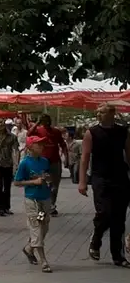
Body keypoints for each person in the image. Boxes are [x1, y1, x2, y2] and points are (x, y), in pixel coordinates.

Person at [78, 104, 130, 266]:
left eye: (102, 112)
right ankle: (96, 238)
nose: (98, 114)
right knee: (104, 211)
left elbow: (129, 154)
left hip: (120, 177)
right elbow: (85, 158)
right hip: (100, 177)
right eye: (98, 112)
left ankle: (118, 255)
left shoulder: (123, 132)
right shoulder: (92, 132)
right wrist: (82, 182)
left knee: (119, 217)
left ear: (112, 113)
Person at [14, 135, 53, 272]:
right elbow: (17, 182)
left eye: (42, 144)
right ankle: (44, 260)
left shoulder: (44, 161)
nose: (41, 147)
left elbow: (48, 175)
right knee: (36, 226)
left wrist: (48, 179)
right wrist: (33, 182)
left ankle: (29, 248)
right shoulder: (25, 163)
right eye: (38, 145)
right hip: (32, 200)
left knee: (43, 226)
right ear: (30, 147)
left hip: (44, 199)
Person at [27, 114, 67, 216]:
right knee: (43, 184)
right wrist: (37, 123)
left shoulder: (56, 131)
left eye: (47, 120)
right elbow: (29, 133)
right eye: (44, 120)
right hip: (43, 162)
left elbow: (63, 144)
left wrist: (66, 158)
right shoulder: (39, 130)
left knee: (54, 185)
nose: (46, 122)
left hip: (55, 161)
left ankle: (52, 205)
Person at [0, 119, 19, 216]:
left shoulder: (12, 136)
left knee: (7, 187)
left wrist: (16, 163)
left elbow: (16, 150)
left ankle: (7, 207)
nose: (1, 124)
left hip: (8, 164)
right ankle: (0, 208)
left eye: (2, 122)